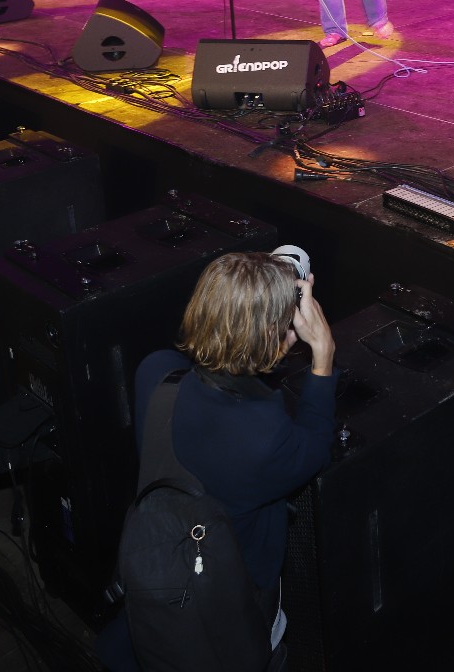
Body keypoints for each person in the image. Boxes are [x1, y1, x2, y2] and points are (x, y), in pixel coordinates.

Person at [128, 251, 337, 663]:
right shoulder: (264, 438)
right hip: (236, 599)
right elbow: (314, 448)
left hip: (158, 571)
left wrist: (252, 293)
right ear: (278, 336)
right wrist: (323, 354)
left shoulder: (155, 373)